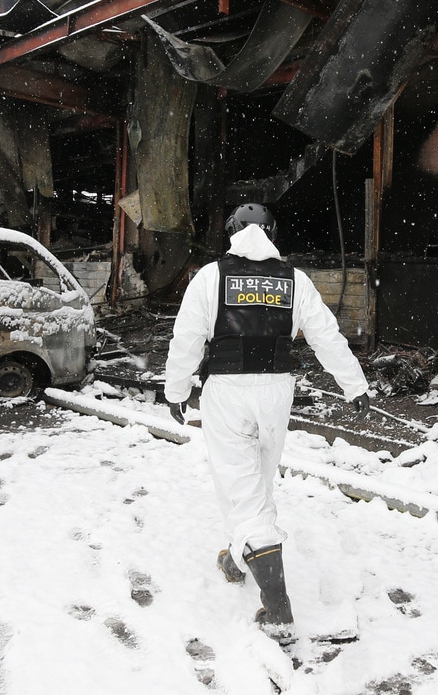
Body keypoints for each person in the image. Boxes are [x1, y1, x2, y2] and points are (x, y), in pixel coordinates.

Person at [164, 202, 373, 638]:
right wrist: (355, 385)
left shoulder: (211, 277)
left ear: (231, 231)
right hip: (277, 391)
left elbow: (185, 340)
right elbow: (326, 336)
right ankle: (237, 558)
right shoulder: (294, 280)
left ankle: (277, 606)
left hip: (228, 393)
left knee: (242, 488)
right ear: (272, 232)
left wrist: (176, 391)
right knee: (257, 482)